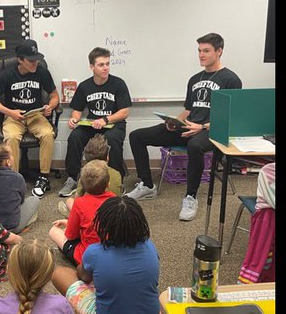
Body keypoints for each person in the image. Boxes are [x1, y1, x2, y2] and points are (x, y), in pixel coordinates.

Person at [124, 33, 241, 221]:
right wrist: (174, 122)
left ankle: (190, 196)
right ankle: (147, 185)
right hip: (189, 126)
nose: (201, 55)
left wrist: (202, 127)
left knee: (195, 146)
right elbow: (188, 110)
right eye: (199, 51)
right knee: (137, 136)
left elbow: (230, 116)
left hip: (212, 130)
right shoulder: (195, 79)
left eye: (206, 51)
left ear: (219, 51)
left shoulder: (231, 79)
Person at [0, 39, 59, 197]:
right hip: (14, 116)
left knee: (48, 134)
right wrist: (10, 112)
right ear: (20, 59)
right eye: (30, 60)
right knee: (11, 137)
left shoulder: (42, 72)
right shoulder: (7, 74)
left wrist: (50, 107)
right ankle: (13, 179)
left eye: (36, 60)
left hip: (36, 115)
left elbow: (54, 96)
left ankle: (43, 178)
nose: (34, 63)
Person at [60, 48, 132, 195]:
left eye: (107, 64)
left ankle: (118, 180)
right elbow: (77, 110)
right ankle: (72, 178)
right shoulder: (85, 86)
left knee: (112, 140)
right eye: (101, 65)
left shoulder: (119, 84)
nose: (106, 67)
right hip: (93, 124)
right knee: (74, 137)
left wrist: (105, 120)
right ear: (92, 67)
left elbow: (124, 112)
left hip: (113, 123)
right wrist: (74, 119)